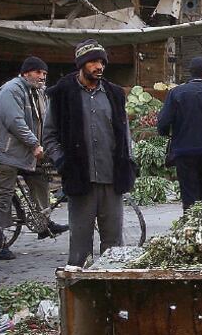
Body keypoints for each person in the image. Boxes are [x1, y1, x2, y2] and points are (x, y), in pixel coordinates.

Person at [43, 39, 136, 268]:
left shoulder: (114, 93)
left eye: (102, 62)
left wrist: (129, 160)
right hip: (79, 178)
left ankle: (111, 292)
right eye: (93, 62)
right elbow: (49, 136)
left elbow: (125, 133)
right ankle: (79, 294)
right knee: (80, 245)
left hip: (111, 178)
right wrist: (62, 161)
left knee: (113, 244)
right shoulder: (63, 93)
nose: (99, 67)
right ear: (82, 64)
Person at [0, 56, 69, 260]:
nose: (42, 77)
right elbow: (14, 121)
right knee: (4, 193)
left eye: (44, 74)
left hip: (26, 153)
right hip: (5, 153)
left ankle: (43, 222)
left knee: (40, 178)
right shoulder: (11, 90)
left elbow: (46, 121)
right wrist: (34, 144)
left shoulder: (38, 92)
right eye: (38, 72)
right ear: (25, 73)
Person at [158, 57, 202, 210]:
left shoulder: (175, 93)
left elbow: (163, 123)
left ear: (190, 74)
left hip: (184, 152)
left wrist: (167, 134)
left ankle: (190, 229)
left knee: (189, 195)